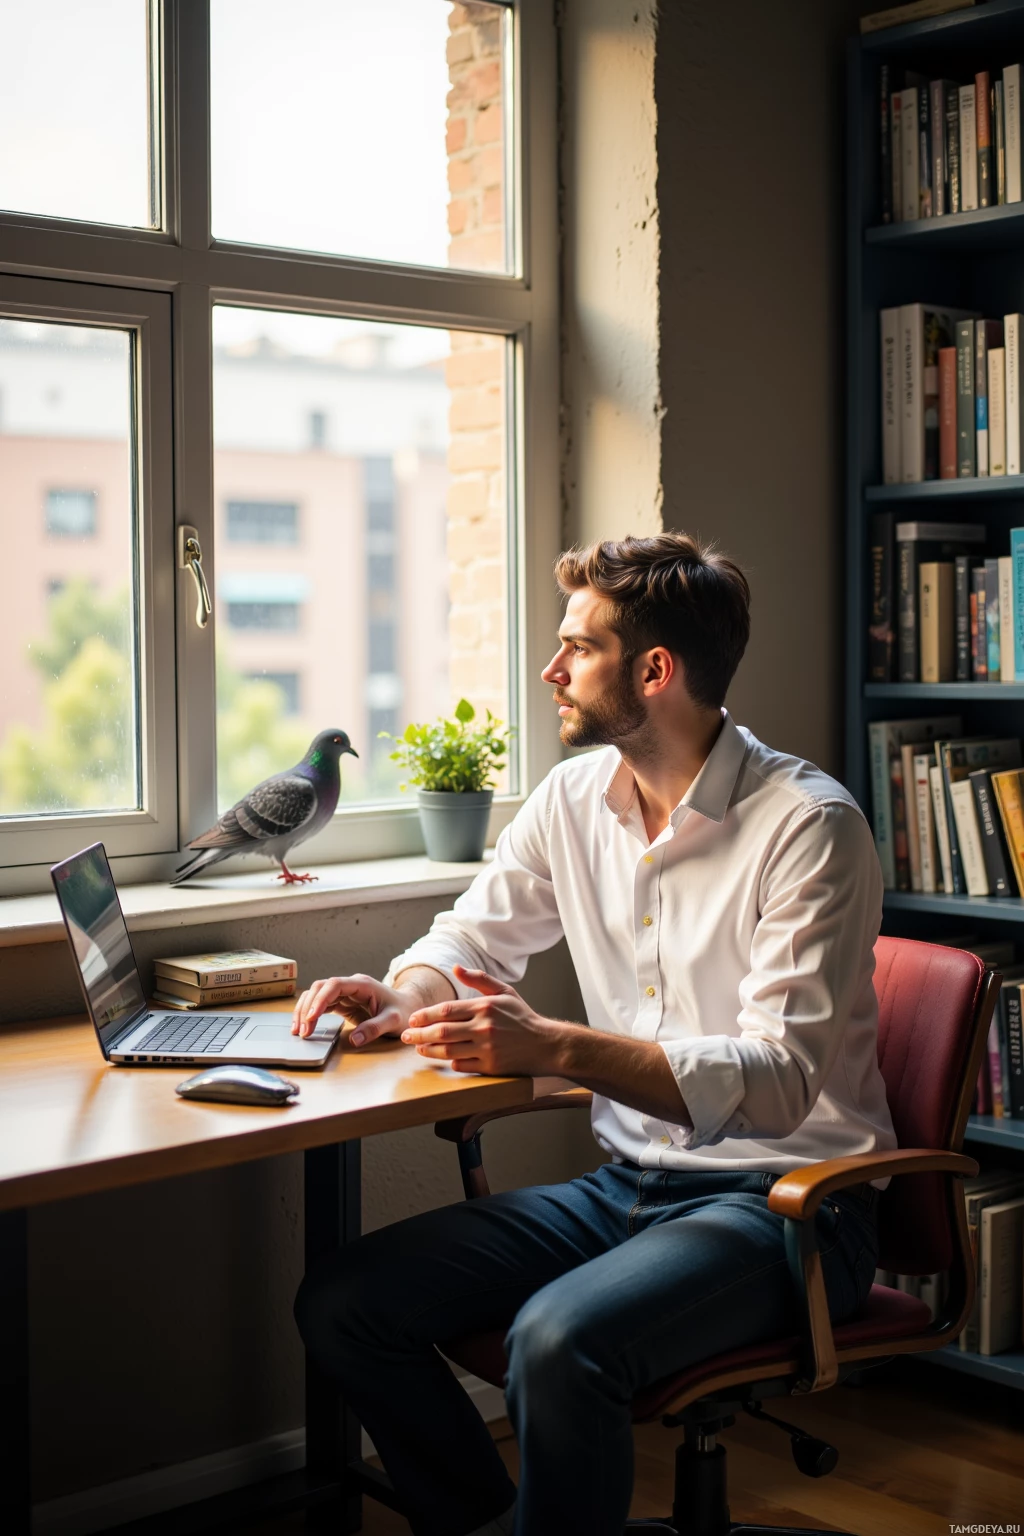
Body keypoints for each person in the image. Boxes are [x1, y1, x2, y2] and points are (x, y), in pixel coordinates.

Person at [291, 532, 895, 1536]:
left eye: (578, 646)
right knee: (346, 1304)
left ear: (654, 671)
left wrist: (557, 1047)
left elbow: (783, 1082)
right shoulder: (573, 799)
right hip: (628, 1185)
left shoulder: (808, 828)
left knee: (555, 1340)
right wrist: (405, 992)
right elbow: (468, 938)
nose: (550, 668)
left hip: (790, 1210)